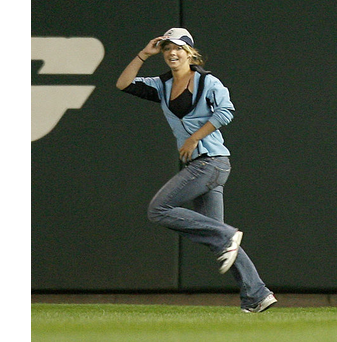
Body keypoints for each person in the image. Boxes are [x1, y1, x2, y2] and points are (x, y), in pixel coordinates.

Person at [116, 28, 277, 313]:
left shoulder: (207, 81)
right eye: (166, 49)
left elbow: (226, 111)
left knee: (158, 209)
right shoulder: (161, 84)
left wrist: (194, 137)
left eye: (177, 48)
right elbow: (123, 83)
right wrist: (144, 53)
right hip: (200, 165)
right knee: (218, 239)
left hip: (211, 162)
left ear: (190, 52)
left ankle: (227, 236)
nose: (172, 53)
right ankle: (257, 294)